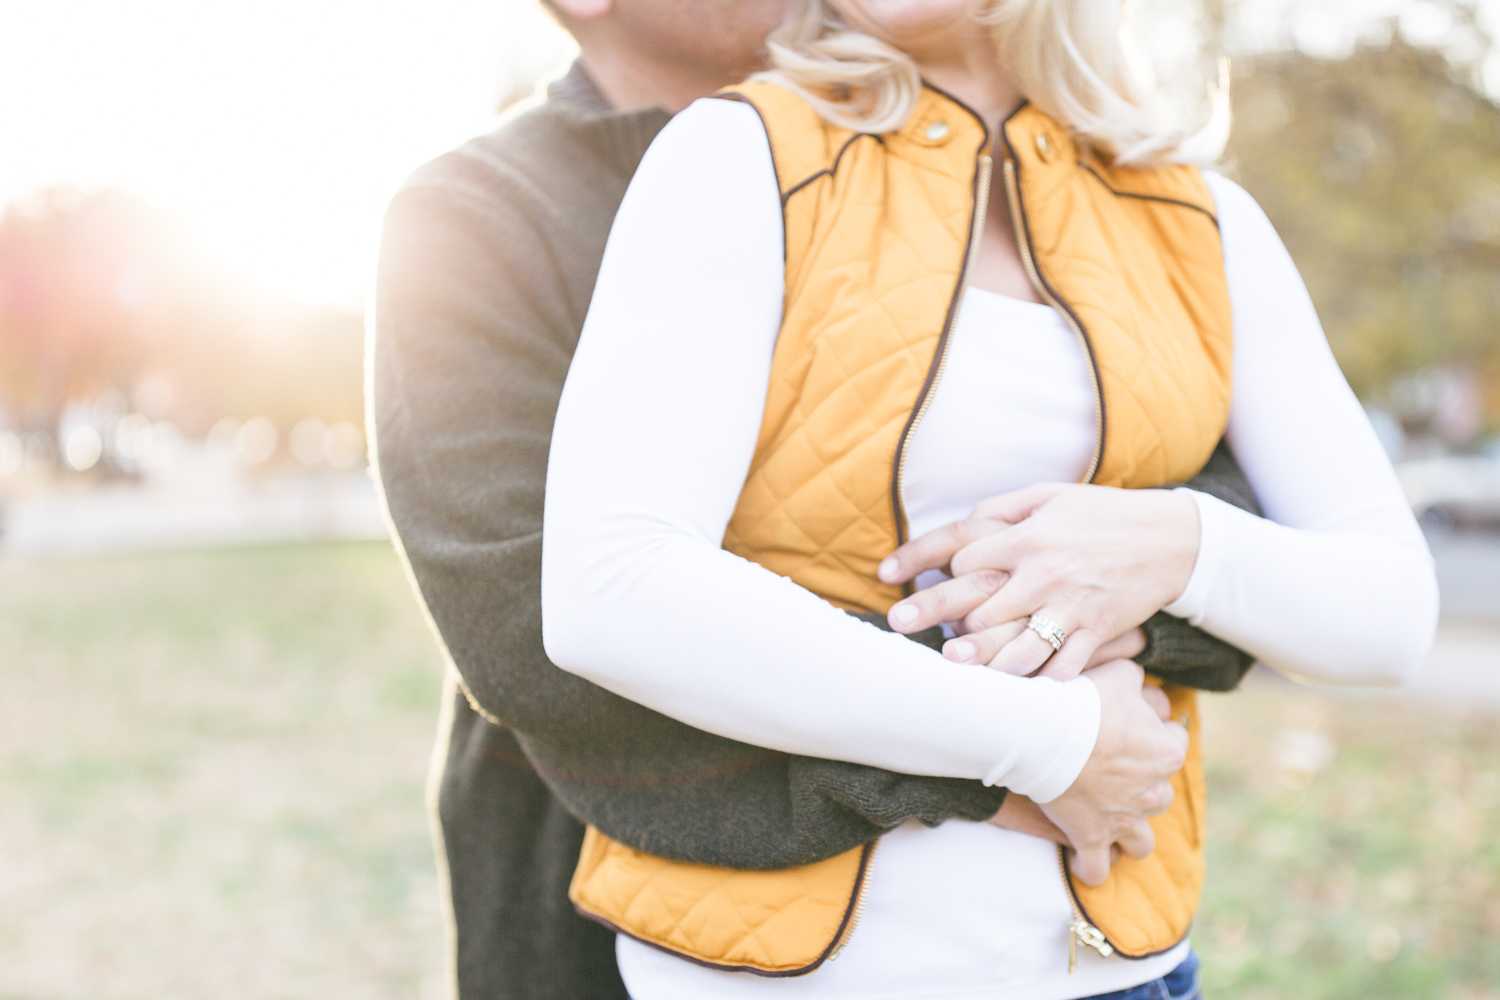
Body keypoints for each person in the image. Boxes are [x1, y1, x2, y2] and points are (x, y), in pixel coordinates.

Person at [539, 0, 1440, 997]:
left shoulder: (1202, 219)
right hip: (771, 975)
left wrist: (1179, 546)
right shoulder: (735, 155)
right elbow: (611, 589)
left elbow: (1391, 615)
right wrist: (1056, 742)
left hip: (1120, 973)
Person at [371, 0, 1266, 997]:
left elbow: (1193, 502)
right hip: (608, 916)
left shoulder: (989, 172)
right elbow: (535, 631)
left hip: (1013, 930)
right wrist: (1030, 734)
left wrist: (1145, 595)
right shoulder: (475, 215)